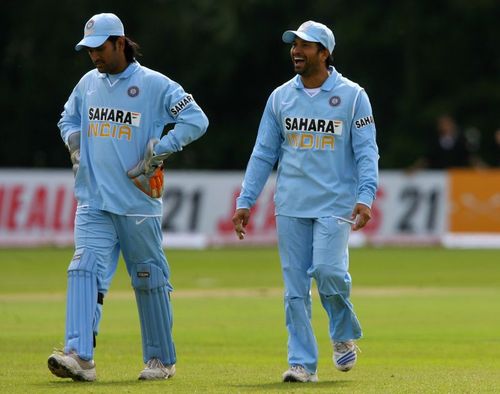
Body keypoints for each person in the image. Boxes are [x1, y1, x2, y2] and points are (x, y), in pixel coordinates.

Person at [47, 13, 208, 382]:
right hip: (93, 201)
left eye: (100, 48)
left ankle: (159, 360)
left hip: (137, 203)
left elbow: (196, 120)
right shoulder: (88, 83)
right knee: (83, 268)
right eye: (88, 49)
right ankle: (79, 355)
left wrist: (160, 150)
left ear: (120, 42)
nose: (94, 56)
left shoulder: (154, 84)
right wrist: (74, 144)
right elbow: (67, 119)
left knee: (148, 278)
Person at [232, 21, 379, 383]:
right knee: (295, 289)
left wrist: (365, 196)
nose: (296, 51)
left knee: (329, 273)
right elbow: (263, 153)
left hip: (334, 203)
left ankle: (342, 331)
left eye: (306, 46)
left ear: (324, 53)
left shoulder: (353, 95)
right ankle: (301, 363)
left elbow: (366, 152)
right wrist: (245, 200)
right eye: (294, 45)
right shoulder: (280, 97)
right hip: (291, 204)